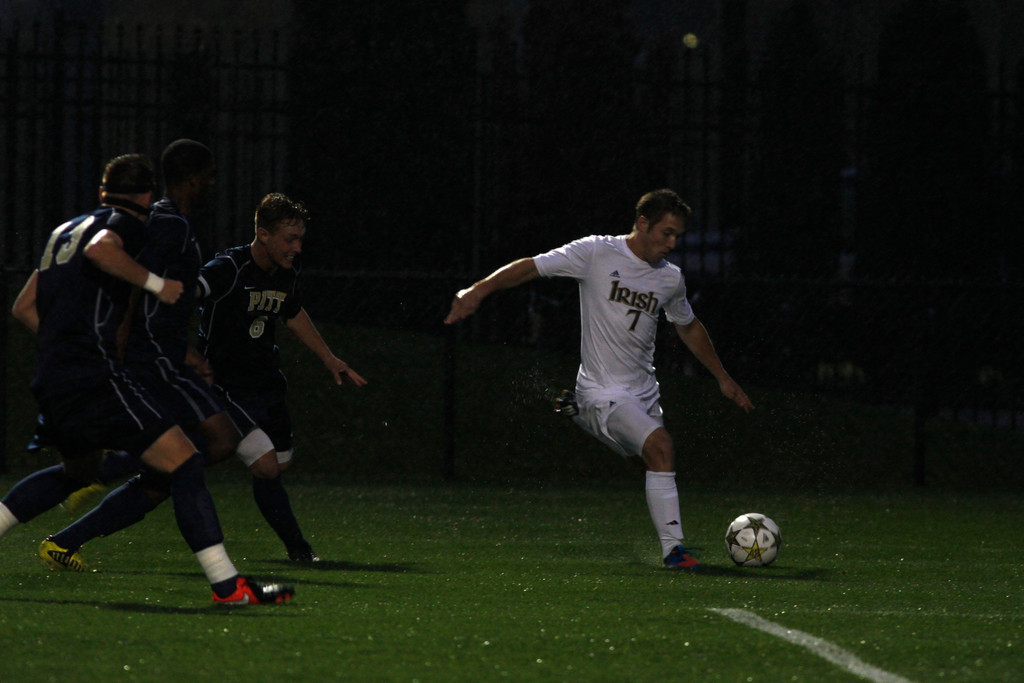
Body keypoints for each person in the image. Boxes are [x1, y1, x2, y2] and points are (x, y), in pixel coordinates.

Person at [1, 152, 292, 604]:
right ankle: (227, 586)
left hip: (57, 375)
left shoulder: (64, 231)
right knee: (185, 460)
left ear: (101, 190)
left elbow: (23, 307)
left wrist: (68, 345)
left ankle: (95, 503)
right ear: (145, 195)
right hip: (102, 374)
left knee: (77, 472)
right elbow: (104, 251)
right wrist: (157, 286)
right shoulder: (128, 223)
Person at [444, 188, 754, 569]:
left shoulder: (670, 278)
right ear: (643, 223)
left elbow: (688, 326)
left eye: (677, 236)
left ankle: (579, 414)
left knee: (650, 462)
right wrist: (478, 290)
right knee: (661, 446)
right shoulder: (596, 252)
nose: (672, 244)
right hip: (603, 391)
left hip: (645, 393)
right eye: (666, 233)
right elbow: (531, 267)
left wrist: (722, 378)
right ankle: (674, 552)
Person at [195, 192, 367, 562]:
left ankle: (167, 462)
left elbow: (292, 312)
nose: (297, 248)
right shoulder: (229, 267)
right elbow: (183, 294)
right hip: (224, 386)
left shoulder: (285, 272)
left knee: (278, 465)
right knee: (267, 464)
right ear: (263, 234)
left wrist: (328, 358)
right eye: (290, 239)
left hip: (266, 384)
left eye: (300, 239)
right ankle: (299, 549)